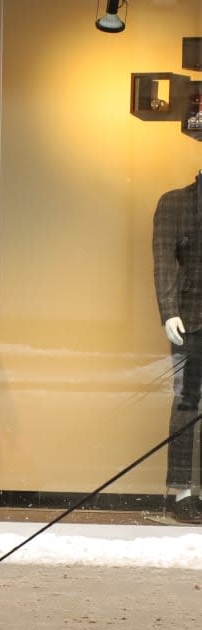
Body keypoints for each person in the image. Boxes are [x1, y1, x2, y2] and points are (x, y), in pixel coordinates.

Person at [153, 172, 202, 524]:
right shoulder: (175, 202)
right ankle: (181, 491)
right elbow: (164, 261)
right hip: (192, 318)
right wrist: (169, 311)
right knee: (187, 401)